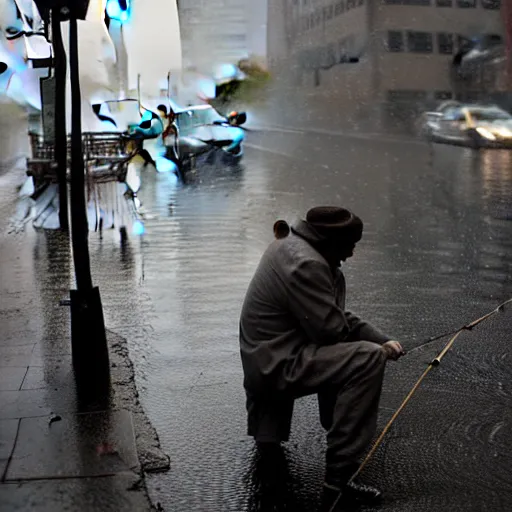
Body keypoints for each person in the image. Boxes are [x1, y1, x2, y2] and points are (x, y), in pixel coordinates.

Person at [239, 206, 405, 511]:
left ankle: (269, 446)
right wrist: (377, 350)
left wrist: (381, 338)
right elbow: (332, 331)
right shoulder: (308, 265)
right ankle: (338, 482)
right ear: (330, 242)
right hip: (276, 365)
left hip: (262, 358)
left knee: (362, 351)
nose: (351, 254)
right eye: (350, 246)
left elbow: (331, 316)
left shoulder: (288, 246)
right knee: (366, 360)